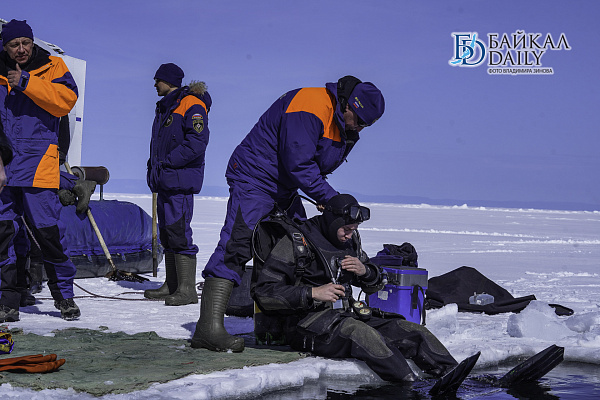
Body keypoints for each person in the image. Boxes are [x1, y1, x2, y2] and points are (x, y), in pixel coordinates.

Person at [192, 76, 385, 353]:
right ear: (348, 105)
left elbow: (312, 165)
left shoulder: (343, 124)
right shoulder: (310, 105)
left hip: (285, 186)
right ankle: (207, 329)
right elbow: (299, 163)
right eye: (359, 120)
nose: (360, 128)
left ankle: (287, 320)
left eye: (367, 125)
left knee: (300, 244)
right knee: (237, 244)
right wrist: (329, 198)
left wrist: (323, 197)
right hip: (255, 177)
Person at [252, 194, 459, 382]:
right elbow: (264, 292)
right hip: (305, 324)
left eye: (354, 230)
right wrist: (312, 293)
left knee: (412, 330)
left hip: (344, 315)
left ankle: (452, 373)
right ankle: (406, 386)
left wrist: (365, 271)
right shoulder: (297, 242)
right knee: (362, 334)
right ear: (333, 222)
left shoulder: (350, 242)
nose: (350, 235)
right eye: (347, 229)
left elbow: (376, 282)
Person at [0, 19, 80, 322]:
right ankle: (9, 300)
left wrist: (26, 82)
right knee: (4, 237)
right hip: (4, 168)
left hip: (39, 166)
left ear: (32, 43)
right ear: (5, 47)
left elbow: (65, 102)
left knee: (48, 235)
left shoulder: (53, 66)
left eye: (26, 43)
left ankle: (65, 297)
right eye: (14, 44)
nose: (21, 49)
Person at [145, 63, 211, 306]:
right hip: (165, 180)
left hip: (179, 180)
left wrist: (168, 162)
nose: (155, 84)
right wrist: (155, 168)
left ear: (169, 81)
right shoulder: (165, 107)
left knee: (179, 233)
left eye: (158, 80)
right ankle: (172, 285)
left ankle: (186, 290)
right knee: (167, 233)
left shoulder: (191, 105)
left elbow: (197, 142)